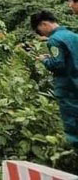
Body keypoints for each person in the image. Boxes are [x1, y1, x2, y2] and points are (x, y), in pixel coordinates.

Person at [31, 10, 78, 148]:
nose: (41, 34)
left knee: (73, 125)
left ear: (44, 24)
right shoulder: (73, 35)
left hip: (68, 87)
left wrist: (45, 60)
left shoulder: (54, 40)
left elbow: (58, 64)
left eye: (39, 30)